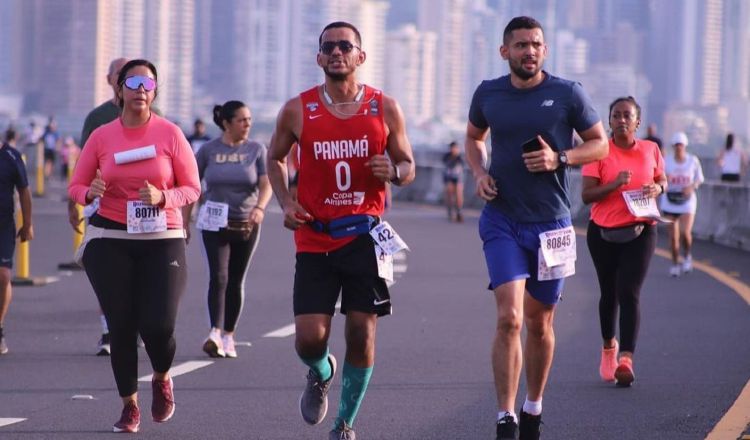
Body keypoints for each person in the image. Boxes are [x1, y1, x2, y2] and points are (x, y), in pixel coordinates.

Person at [267, 21, 415, 440]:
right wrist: (286, 200)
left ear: (360, 57)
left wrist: (396, 172)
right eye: (328, 47)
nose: (336, 52)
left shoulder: (384, 107)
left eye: (345, 46)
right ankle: (321, 371)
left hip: (365, 236)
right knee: (309, 340)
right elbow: (274, 158)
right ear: (318, 58)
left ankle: (344, 423)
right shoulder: (298, 109)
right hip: (314, 235)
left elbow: (408, 164)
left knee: (361, 332)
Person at [464, 16, 608, 440]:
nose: (530, 51)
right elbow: (474, 138)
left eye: (537, 44)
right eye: (522, 44)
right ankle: (505, 417)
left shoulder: (567, 93)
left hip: (552, 224)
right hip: (502, 219)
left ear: (545, 51)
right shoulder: (488, 93)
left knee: (540, 323)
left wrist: (560, 159)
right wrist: (478, 172)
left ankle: (533, 406)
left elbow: (599, 143)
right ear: (504, 51)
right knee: (509, 317)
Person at [68, 59, 200, 433]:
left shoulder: (171, 134)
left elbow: (192, 187)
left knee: (159, 326)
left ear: (154, 91)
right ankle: (129, 405)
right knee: (122, 324)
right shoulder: (102, 136)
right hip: (110, 236)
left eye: (148, 83)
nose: (141, 89)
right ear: (120, 90)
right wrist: (88, 191)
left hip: (162, 235)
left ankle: (161, 375)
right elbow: (75, 186)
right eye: (134, 82)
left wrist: (163, 196)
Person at [581, 97, 667, 387]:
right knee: (609, 293)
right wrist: (616, 184)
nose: (621, 120)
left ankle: (626, 360)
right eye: (616, 115)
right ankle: (609, 349)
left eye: (627, 116)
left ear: (637, 122)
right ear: (609, 120)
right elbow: (587, 196)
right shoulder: (598, 152)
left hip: (641, 230)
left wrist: (658, 187)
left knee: (628, 292)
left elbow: (662, 179)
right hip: (603, 231)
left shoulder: (651, 149)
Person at [183, 101, 272, 359]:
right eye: (242, 120)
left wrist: (260, 208)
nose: (247, 125)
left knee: (235, 278)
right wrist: (185, 221)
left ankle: (228, 335)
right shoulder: (208, 150)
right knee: (218, 276)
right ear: (226, 123)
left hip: (246, 222)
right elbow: (192, 186)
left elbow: (266, 184)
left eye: (249, 120)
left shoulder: (256, 149)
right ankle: (214, 332)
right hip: (213, 220)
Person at [0, 128, 34, 355]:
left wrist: (28, 223)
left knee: (3, 275)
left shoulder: (11, 157)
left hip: (4, 226)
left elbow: (24, 191)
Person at [661, 132, 704, 277]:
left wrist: (691, 187)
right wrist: (666, 178)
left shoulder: (692, 161)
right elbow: (658, 179)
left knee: (685, 232)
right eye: (676, 145)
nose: (679, 148)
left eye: (681, 145)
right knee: (673, 237)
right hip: (670, 201)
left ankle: (687, 256)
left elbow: (699, 179)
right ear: (673, 147)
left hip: (687, 201)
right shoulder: (666, 161)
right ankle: (674, 264)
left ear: (685, 146)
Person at [442, 141, 465, 222]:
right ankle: (450, 211)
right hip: (449, 177)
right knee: (449, 194)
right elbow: (445, 166)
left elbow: (461, 168)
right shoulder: (447, 157)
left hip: (458, 178)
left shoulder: (459, 158)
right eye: (452, 148)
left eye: (456, 148)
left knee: (459, 195)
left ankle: (459, 211)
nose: (454, 150)